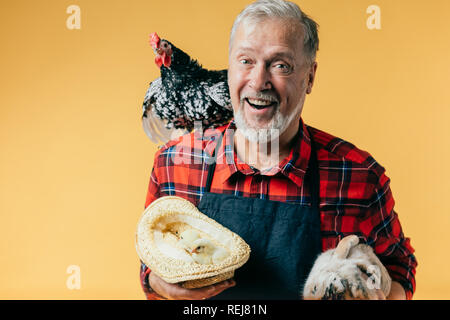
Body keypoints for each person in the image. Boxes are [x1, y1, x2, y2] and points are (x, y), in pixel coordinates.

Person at [139, 0, 417, 300]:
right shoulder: (175, 163)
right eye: (246, 61)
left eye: (280, 65)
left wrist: (378, 294)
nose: (258, 82)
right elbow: (150, 264)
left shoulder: (358, 175)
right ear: (229, 68)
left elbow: (400, 269)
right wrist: (156, 281)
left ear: (309, 77)